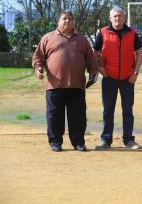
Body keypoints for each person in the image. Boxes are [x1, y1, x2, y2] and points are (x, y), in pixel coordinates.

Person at [32, 11, 99, 152]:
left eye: (70, 18)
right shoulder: (48, 38)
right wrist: (38, 69)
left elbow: (91, 60)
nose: (67, 21)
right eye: (64, 18)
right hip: (54, 86)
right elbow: (38, 57)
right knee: (54, 116)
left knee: (78, 116)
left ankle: (78, 142)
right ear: (58, 22)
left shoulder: (81, 39)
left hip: (77, 85)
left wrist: (93, 73)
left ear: (73, 22)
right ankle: (55, 142)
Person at [93, 6, 142, 150]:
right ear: (110, 18)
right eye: (115, 16)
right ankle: (106, 140)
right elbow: (94, 52)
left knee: (127, 110)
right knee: (108, 110)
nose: (117, 18)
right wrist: (99, 68)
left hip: (128, 79)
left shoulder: (132, 33)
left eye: (120, 16)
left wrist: (135, 73)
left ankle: (128, 140)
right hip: (109, 78)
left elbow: (140, 52)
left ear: (124, 18)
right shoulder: (103, 33)